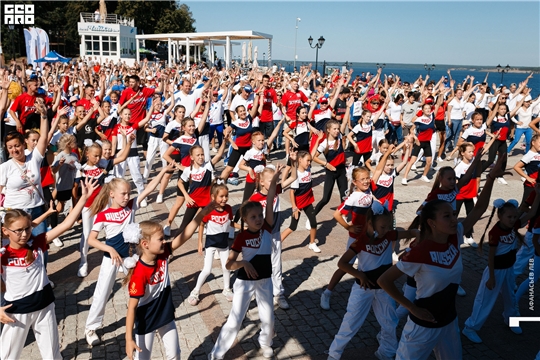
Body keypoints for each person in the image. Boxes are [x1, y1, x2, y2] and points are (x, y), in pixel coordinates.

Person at [377, 155, 506, 360]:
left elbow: (479, 208)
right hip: (422, 328)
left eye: (454, 215)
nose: (455, 219)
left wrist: (490, 179)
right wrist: (412, 308)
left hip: (449, 322)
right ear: (432, 223)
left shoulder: (455, 236)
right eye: (447, 216)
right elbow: (384, 280)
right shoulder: (420, 251)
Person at [0, 178, 97, 360]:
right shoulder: (3, 253)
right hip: (17, 311)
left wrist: (83, 199)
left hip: (45, 306)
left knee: (52, 355)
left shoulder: (37, 242)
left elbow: (66, 224)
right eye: (18, 230)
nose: (24, 234)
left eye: (27, 229)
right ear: (6, 232)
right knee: (7, 356)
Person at [84, 165, 173, 346]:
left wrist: (162, 171)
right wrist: (109, 249)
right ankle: (90, 328)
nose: (126, 197)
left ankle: (150, 317)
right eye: (123, 194)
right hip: (112, 259)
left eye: (128, 193)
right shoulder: (103, 215)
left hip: (130, 259)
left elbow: (149, 189)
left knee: (143, 288)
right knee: (102, 293)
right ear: (112, 194)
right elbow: (91, 240)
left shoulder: (131, 206)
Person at [327, 202, 419, 360]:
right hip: (363, 289)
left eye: (388, 226)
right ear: (370, 223)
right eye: (383, 227)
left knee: (389, 322)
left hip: (384, 289)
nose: (386, 230)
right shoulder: (361, 241)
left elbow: (412, 232)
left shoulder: (389, 234)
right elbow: (342, 263)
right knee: (350, 323)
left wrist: (419, 235)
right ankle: (334, 355)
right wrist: (359, 275)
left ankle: (387, 352)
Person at [208, 166, 282, 360]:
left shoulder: (266, 228)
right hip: (244, 282)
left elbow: (269, 198)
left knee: (268, 318)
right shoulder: (241, 237)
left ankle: (266, 343)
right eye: (253, 217)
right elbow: (229, 264)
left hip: (265, 281)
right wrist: (243, 264)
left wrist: (273, 181)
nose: (258, 219)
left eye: (260, 215)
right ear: (245, 220)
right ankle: (216, 353)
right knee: (235, 320)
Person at [124, 206, 214, 360]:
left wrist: (201, 215)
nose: (164, 241)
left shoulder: (163, 253)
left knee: (175, 355)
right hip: (147, 321)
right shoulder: (139, 274)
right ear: (145, 244)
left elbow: (184, 236)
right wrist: (128, 339)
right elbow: (132, 308)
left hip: (166, 316)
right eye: (160, 239)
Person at [462, 191, 540, 344]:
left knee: (511, 297)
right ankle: (470, 327)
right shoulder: (495, 232)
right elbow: (491, 256)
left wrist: (538, 194)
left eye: (514, 217)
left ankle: (511, 319)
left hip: (509, 269)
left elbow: (531, 212)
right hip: (496, 271)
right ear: (500, 216)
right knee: (485, 300)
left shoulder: (515, 225)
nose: (512, 220)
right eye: (509, 217)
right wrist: (491, 277)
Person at [320, 167, 374, 309]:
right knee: (345, 266)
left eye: (367, 178)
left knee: (369, 264)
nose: (366, 181)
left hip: (369, 236)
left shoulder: (368, 190)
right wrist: (347, 227)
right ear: (355, 182)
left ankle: (367, 293)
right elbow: (337, 214)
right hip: (356, 238)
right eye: (362, 179)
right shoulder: (354, 197)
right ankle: (327, 292)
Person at [250, 163, 298, 309]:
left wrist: (293, 162)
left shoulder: (276, 190)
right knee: (258, 264)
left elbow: (294, 177)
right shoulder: (255, 198)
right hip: (260, 235)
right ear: (262, 182)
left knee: (276, 265)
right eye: (270, 180)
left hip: (275, 234)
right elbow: (247, 216)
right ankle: (255, 290)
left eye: (275, 180)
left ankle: (279, 294)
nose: (274, 183)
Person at [188, 183, 235, 305]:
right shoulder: (209, 211)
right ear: (213, 197)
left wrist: (245, 228)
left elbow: (230, 223)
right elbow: (201, 224)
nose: (224, 199)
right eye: (221, 196)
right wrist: (200, 243)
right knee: (207, 270)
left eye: (226, 196)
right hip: (211, 244)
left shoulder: (229, 209)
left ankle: (227, 289)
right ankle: (195, 291)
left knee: (226, 267)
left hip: (224, 245)